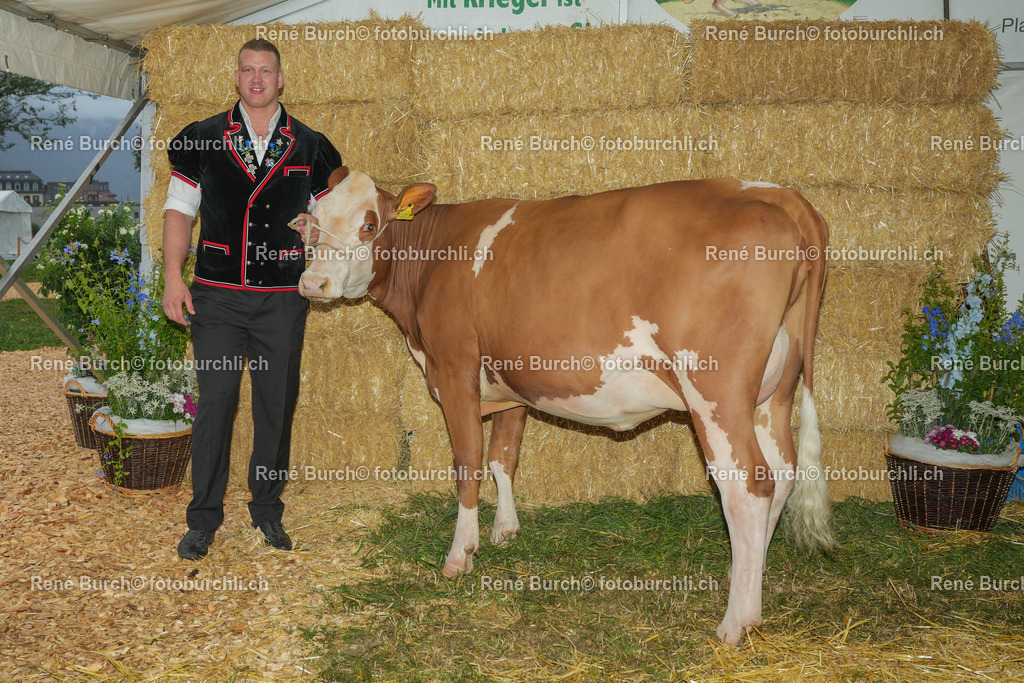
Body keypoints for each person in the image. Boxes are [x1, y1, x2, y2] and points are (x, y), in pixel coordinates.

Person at [162, 38, 341, 560]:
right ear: (236, 77)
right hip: (217, 296)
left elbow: (330, 222)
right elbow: (179, 213)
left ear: (280, 80)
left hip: (282, 299)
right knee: (215, 404)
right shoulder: (202, 138)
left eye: (266, 71)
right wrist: (174, 278)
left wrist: (315, 232)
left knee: (275, 406)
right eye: (248, 70)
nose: (257, 79)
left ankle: (267, 510)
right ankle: (203, 519)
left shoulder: (312, 146)